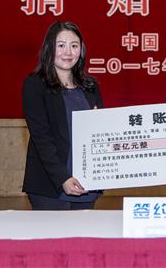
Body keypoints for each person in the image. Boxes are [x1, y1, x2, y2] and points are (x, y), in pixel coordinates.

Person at [22, 21, 103, 210]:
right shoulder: (35, 85)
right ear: (49, 48)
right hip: (51, 185)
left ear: (81, 50)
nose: (68, 52)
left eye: (74, 46)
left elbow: (100, 135)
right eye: (61, 45)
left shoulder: (90, 86)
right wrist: (62, 178)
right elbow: (41, 137)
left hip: (86, 184)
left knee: (85, 230)